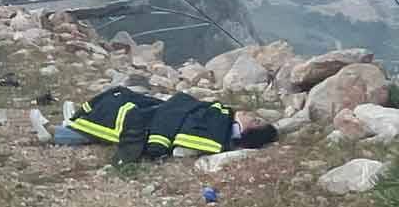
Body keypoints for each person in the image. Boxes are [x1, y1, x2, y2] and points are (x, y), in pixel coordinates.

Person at [44, 86, 279, 162]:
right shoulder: (222, 117)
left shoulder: (219, 127)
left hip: (157, 123)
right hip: (164, 111)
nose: (250, 114)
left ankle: (59, 133)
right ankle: (72, 122)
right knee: (123, 96)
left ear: (248, 131)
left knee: (125, 118)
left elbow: (186, 138)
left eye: (256, 121)